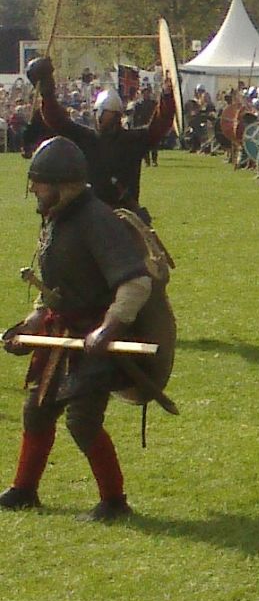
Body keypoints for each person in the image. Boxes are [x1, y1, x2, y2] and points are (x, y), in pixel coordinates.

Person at [0, 138, 155, 520]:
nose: (33, 189)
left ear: (62, 185)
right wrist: (34, 321)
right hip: (61, 333)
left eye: (39, 183)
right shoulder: (57, 217)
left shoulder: (97, 220)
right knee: (37, 411)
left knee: (83, 421)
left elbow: (136, 282)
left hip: (95, 336)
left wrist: (107, 329)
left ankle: (114, 501)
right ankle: (24, 490)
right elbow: (57, 287)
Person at [26, 57, 175, 217]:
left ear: (116, 115)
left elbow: (160, 125)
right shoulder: (87, 138)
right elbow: (57, 121)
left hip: (125, 214)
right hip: (90, 215)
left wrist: (167, 96)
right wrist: (47, 91)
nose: (101, 117)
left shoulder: (133, 140)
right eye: (101, 113)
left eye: (106, 113)